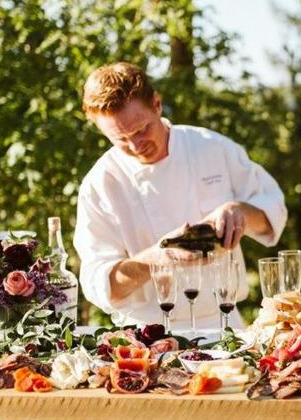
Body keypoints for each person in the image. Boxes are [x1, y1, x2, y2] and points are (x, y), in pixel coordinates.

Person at [74, 62, 286, 327]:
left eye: (141, 130)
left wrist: (240, 212)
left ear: (157, 104)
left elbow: (273, 214)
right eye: (121, 139)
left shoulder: (211, 148)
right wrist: (158, 258)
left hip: (223, 323)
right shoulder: (100, 184)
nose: (136, 145)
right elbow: (100, 284)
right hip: (146, 333)